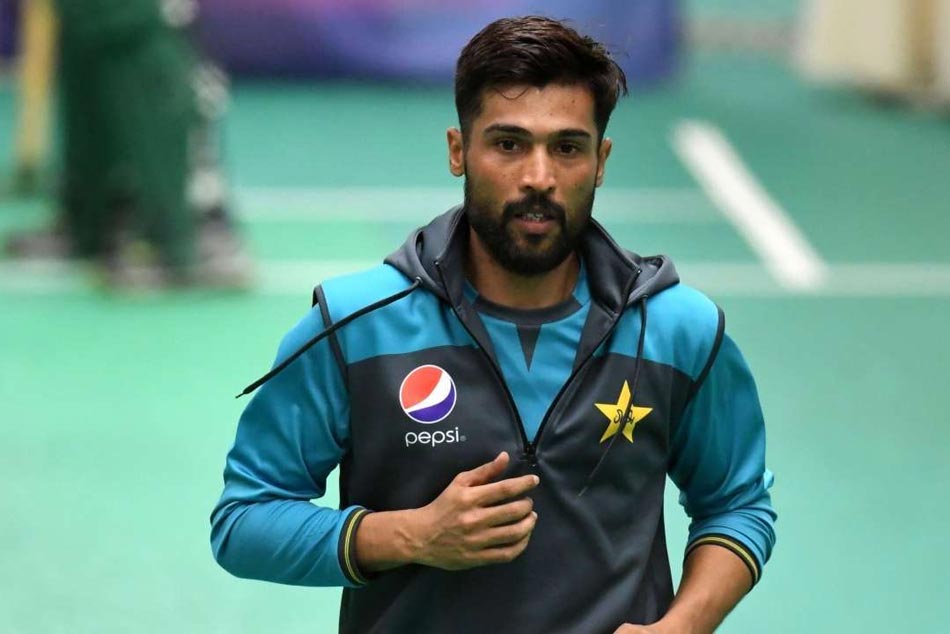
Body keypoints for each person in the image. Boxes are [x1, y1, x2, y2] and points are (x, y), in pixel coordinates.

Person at [211, 16, 776, 634]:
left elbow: (737, 504)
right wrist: (409, 534)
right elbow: (244, 519)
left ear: (601, 160)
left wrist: (683, 626)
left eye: (567, 147)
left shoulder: (676, 330)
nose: (539, 177)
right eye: (509, 144)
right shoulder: (355, 326)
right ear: (459, 151)